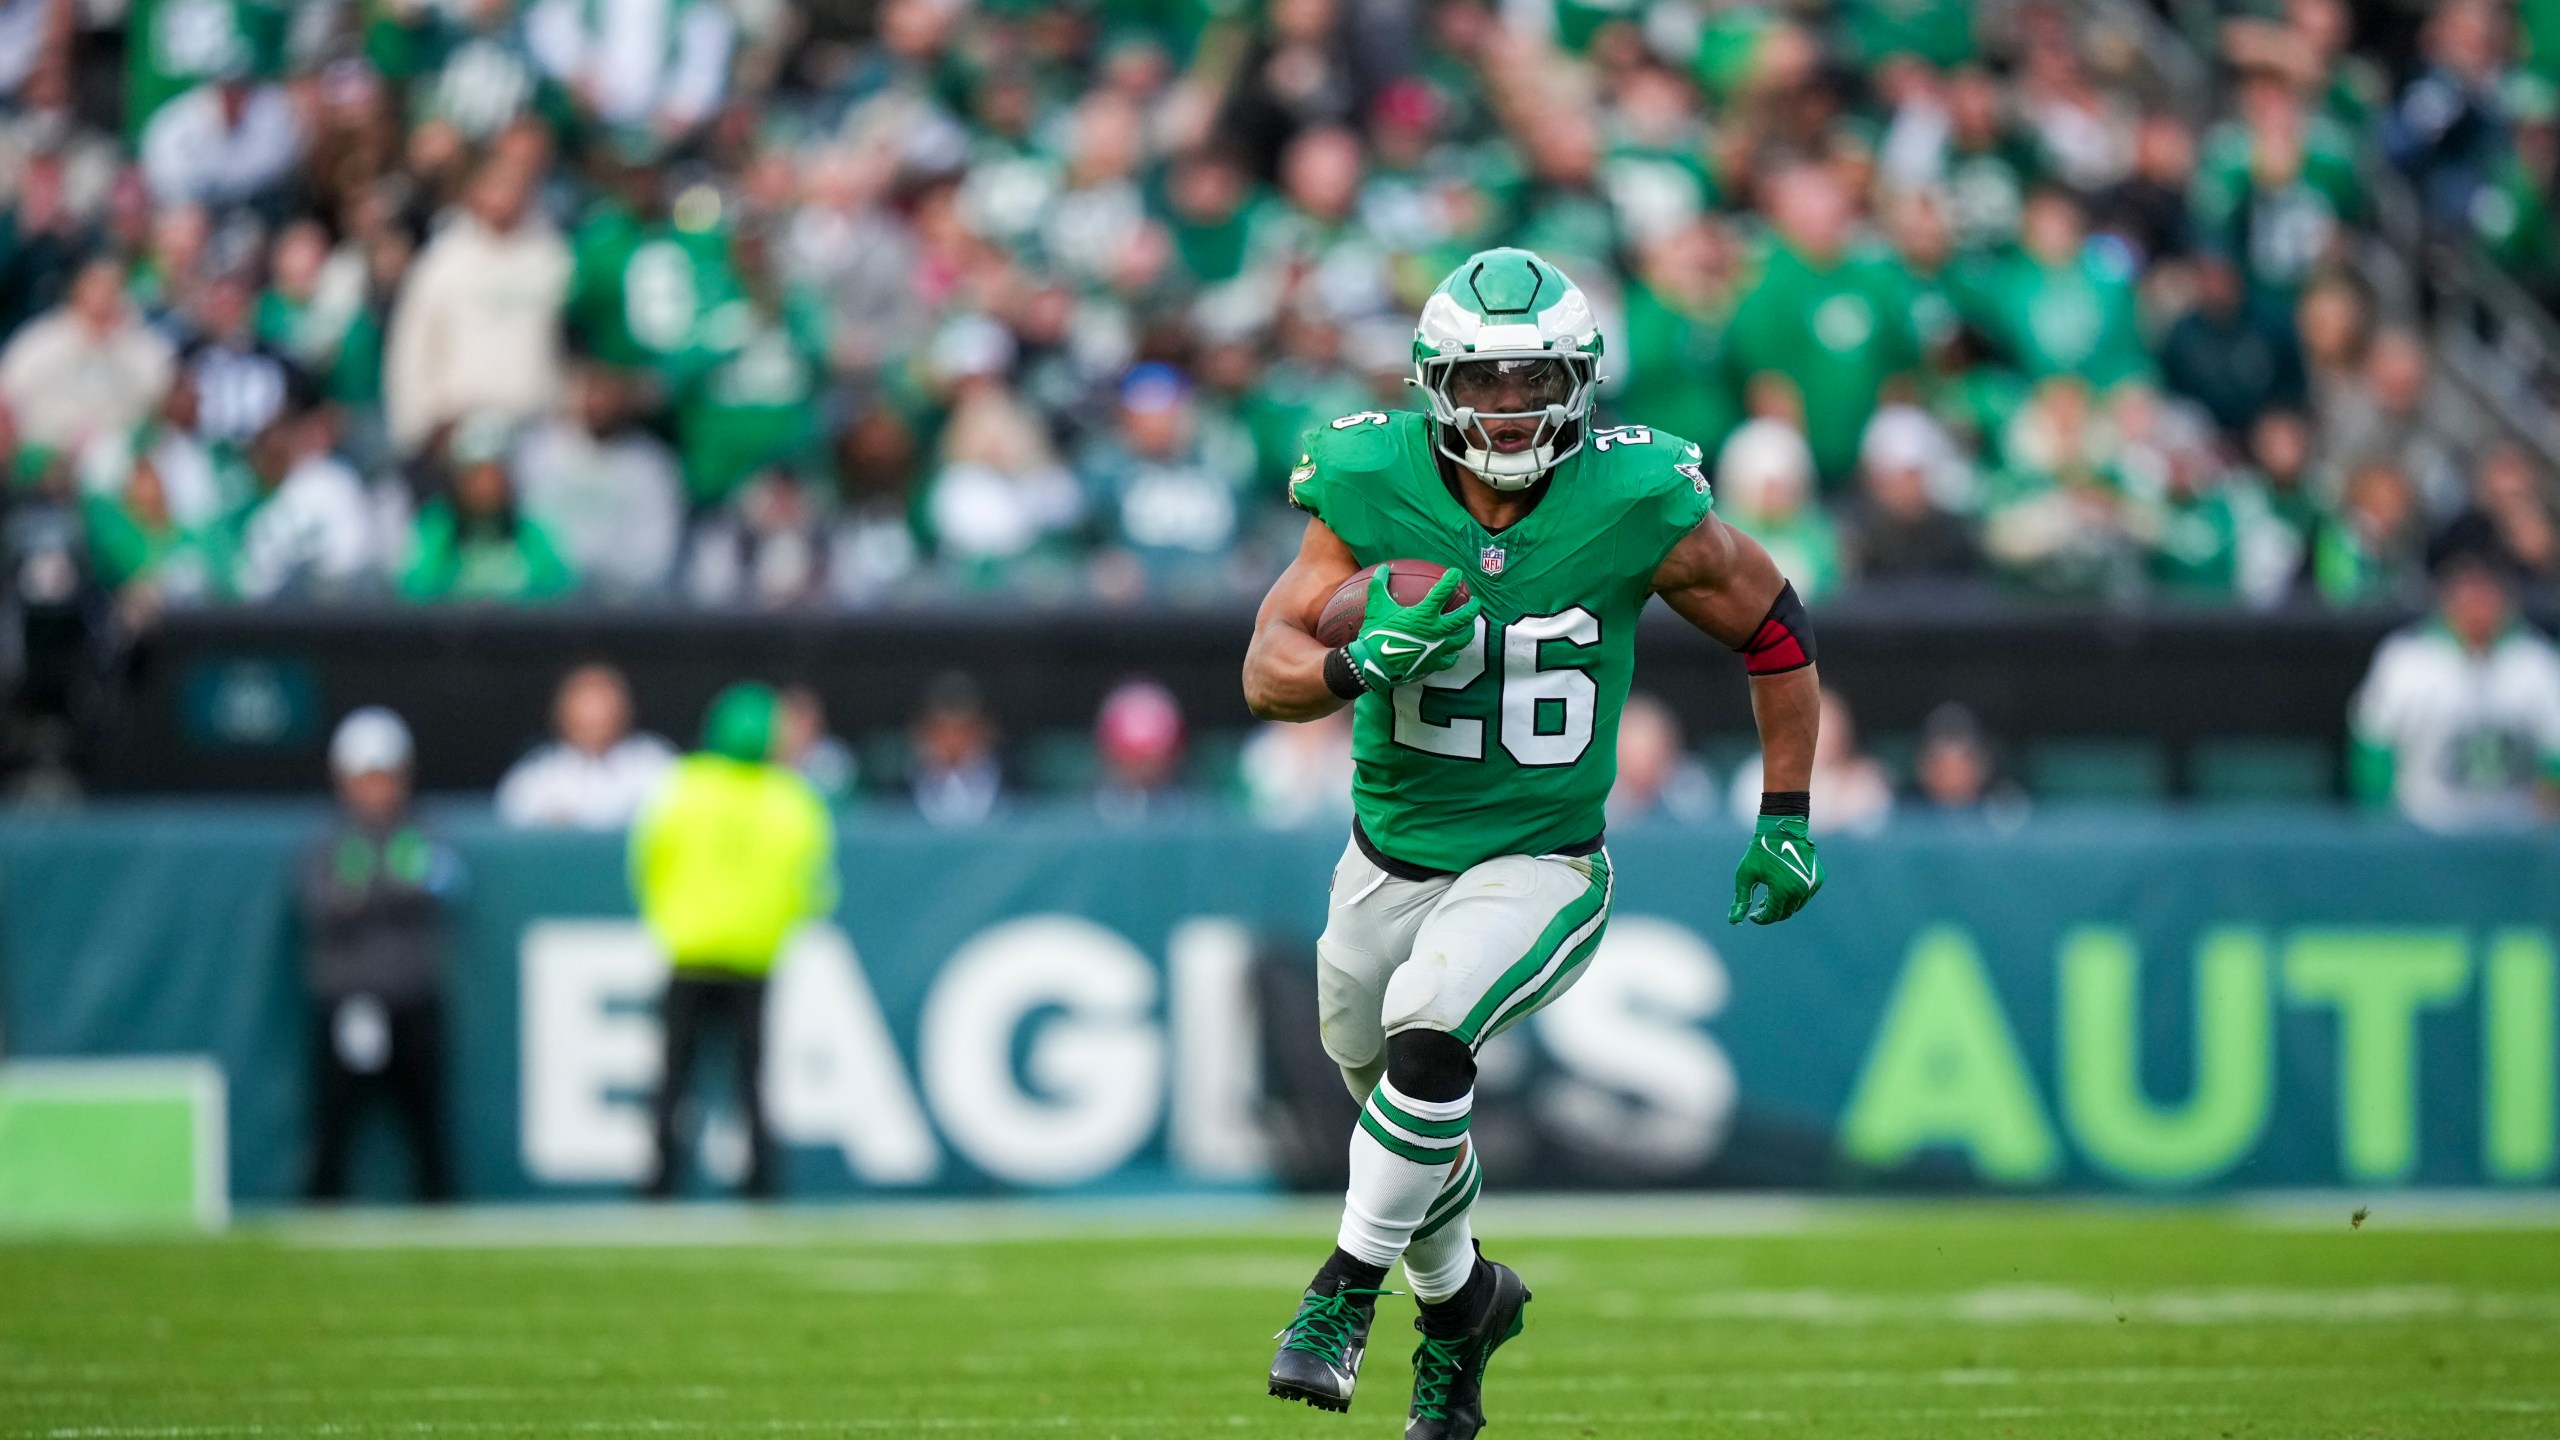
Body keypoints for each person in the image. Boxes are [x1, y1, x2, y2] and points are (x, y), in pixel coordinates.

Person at [1240, 248, 1824, 1435]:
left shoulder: (1636, 497)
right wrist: (1359, 664)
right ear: (1433, 385)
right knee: (1404, 1104)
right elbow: (1265, 673)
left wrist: (1786, 815)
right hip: (1384, 862)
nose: (1511, 405)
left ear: (1581, 380)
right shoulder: (1363, 478)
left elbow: (1773, 627)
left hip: (1541, 860)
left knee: (1430, 1030)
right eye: (1487, 380)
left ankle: (1339, 1296)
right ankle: (1462, 1311)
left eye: (1535, 378)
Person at [628, 682, 836, 1199]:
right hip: (753, 957)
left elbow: (646, 863)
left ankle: (658, 1185)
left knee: (674, 1080)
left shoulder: (682, 787)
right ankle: (762, 1185)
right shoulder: (793, 798)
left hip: (690, 951)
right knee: (753, 1083)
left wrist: (673, 918)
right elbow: (815, 889)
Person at [299, 707, 464, 1201]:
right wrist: (390, 886)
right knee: (334, 1126)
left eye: (384, 776)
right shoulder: (330, 842)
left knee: (427, 1128)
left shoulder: (423, 833)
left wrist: (372, 889)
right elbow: (325, 903)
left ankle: (440, 1220)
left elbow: (443, 883)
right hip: (349, 1000)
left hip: (412, 1000)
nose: (376, 789)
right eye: (365, 777)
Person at [2349, 545, 2560, 831]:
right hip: (2426, 831)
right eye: (2468, 596)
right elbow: (2373, 748)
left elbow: (2555, 755)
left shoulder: (2537, 662)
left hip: (2514, 837)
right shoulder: (2407, 660)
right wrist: (2383, 826)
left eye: (2487, 596)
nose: (2478, 607)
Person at [495, 662, 677, 828]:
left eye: (604, 700)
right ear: (561, 711)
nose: (596, 714)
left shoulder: (655, 762)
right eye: (585, 702)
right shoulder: (536, 776)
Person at [907, 672, 1005, 826]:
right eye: (943, 730)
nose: (952, 740)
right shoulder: (896, 787)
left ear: (983, 731)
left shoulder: (1017, 782)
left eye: (962, 730)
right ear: (924, 732)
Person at [1093, 678, 1189, 822]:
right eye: (1130, 758)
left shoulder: (1196, 819)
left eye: (1150, 759)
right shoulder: (1080, 818)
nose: (1142, 770)